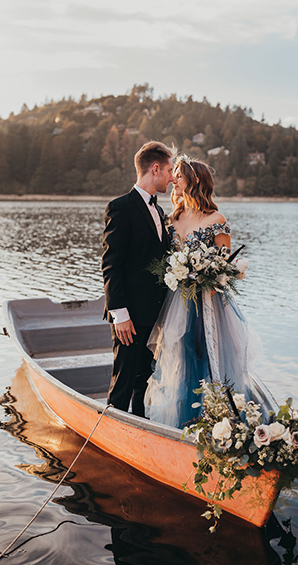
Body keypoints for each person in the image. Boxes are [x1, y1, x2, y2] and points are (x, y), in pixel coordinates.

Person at [145, 155, 274, 428]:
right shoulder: (173, 219)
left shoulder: (217, 219)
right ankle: (187, 420)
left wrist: (207, 278)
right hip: (178, 301)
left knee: (211, 355)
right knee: (182, 356)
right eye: (174, 174)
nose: (173, 180)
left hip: (210, 303)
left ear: (194, 181)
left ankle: (224, 421)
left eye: (179, 175)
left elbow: (224, 265)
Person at [102, 141, 174, 417]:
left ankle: (139, 428)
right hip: (128, 316)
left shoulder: (159, 211)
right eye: (168, 170)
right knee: (123, 380)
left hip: (153, 314)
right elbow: (111, 265)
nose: (171, 177)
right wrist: (119, 314)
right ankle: (111, 432)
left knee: (144, 379)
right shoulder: (120, 207)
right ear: (155, 169)